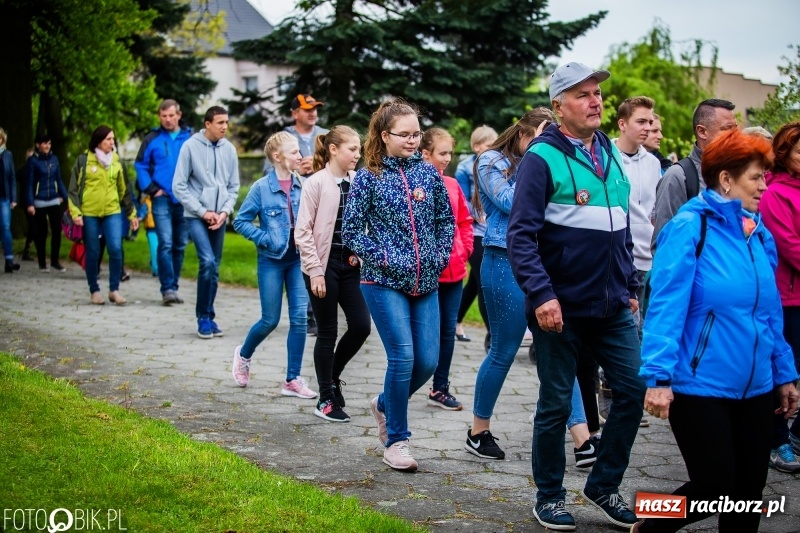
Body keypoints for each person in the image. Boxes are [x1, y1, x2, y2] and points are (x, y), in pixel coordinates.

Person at [636, 128, 799, 533]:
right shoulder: (691, 227)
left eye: (765, 175)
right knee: (715, 486)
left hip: (756, 386)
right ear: (726, 179)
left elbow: (769, 312)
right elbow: (665, 307)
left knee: (747, 494)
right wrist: (658, 377)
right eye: (756, 177)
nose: (765, 185)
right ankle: (651, 523)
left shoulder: (758, 233)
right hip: (699, 385)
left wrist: (785, 372)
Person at [507, 62, 645, 530]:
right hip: (559, 309)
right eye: (583, 94)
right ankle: (549, 496)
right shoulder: (541, 158)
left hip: (611, 306)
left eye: (598, 94)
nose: (596, 101)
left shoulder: (608, 152)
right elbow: (520, 236)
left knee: (632, 390)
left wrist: (628, 285)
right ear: (559, 105)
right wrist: (542, 295)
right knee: (556, 402)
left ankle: (603, 485)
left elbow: (620, 226)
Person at [342, 98, 455, 472]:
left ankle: (384, 403)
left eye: (416, 133)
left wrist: (438, 257)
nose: (411, 140)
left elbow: (445, 222)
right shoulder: (367, 176)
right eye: (404, 134)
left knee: (428, 360)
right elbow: (352, 231)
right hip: (383, 280)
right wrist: (388, 258)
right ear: (384, 135)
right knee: (403, 357)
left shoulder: (428, 175)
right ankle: (397, 440)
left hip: (426, 281)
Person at [465, 108, 553, 461]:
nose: (548, 146)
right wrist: (538, 162)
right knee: (504, 349)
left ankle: (583, 438)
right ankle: (478, 431)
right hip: (504, 259)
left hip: (545, 261)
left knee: (558, 349)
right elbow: (512, 202)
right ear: (522, 134)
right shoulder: (491, 160)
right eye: (541, 138)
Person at [231, 132, 317, 399]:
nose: (299, 155)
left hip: (297, 260)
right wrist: (263, 238)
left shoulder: (304, 184)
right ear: (278, 157)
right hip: (271, 260)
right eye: (294, 152)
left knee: (299, 320)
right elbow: (240, 222)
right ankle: (244, 354)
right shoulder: (260, 188)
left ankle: (292, 379)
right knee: (270, 320)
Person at [295, 125, 371, 421]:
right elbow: (302, 232)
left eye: (359, 149)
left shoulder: (359, 182)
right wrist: (315, 272)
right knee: (327, 332)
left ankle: (332, 377)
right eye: (352, 149)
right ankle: (325, 399)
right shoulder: (315, 183)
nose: (357, 154)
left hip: (350, 265)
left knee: (361, 326)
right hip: (322, 265)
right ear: (333, 149)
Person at [173, 106, 240, 339]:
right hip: (196, 215)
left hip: (219, 217)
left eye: (227, 122)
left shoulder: (229, 149)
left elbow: (233, 187)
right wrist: (202, 212)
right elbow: (178, 185)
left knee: (214, 268)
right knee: (207, 261)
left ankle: (210, 316)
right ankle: (202, 316)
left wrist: (224, 212)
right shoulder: (190, 146)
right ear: (208, 124)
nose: (224, 126)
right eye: (220, 122)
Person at [267, 93, 329, 336]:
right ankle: (307, 315)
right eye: (306, 109)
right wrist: (295, 170)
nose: (312, 112)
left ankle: (316, 312)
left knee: (318, 253)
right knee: (303, 255)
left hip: (322, 201)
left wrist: (318, 166)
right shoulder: (283, 138)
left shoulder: (324, 134)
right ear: (294, 113)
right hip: (294, 203)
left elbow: (336, 163)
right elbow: (268, 168)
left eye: (315, 108)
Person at [420, 127, 473, 411]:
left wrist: (464, 250)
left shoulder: (453, 184)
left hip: (455, 272)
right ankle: (408, 383)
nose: (447, 158)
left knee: (447, 331)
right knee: (426, 333)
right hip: (427, 275)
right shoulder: (415, 186)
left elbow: (464, 221)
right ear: (425, 154)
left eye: (450, 153)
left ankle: (439, 388)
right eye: (442, 153)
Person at [759, 120, 800, 473]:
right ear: (785, 154)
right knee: (783, 372)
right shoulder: (775, 193)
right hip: (787, 299)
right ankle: (777, 441)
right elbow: (789, 246)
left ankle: (794, 435)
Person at [68, 126, 138, 305]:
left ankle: (114, 290)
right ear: (98, 141)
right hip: (89, 213)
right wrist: (76, 213)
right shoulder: (84, 161)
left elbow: (124, 190)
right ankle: (94, 290)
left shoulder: (117, 162)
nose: (112, 142)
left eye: (113, 139)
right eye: (108, 139)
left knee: (115, 248)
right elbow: (73, 190)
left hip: (112, 211)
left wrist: (131, 214)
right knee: (93, 251)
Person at [652, 99, 736, 247]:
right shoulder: (679, 176)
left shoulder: (737, 173)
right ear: (702, 131)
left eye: (736, 128)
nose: (735, 135)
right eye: (727, 129)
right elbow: (664, 244)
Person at [135, 99, 192, 305]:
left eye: (171, 115)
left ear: (179, 115)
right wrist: (151, 189)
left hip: (185, 200)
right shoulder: (152, 138)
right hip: (161, 199)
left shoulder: (190, 138)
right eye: (163, 116)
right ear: (159, 116)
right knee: (165, 243)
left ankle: (174, 286)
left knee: (180, 245)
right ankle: (166, 288)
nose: (167, 120)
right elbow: (140, 165)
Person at [454, 125, 497, 350]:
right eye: (489, 145)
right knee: (483, 283)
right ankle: (493, 334)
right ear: (477, 146)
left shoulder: (497, 165)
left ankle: (455, 321)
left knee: (473, 283)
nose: (493, 149)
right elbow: (462, 201)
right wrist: (480, 216)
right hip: (475, 232)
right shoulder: (464, 168)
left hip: (492, 231)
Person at [26, 134, 68, 273]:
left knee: (57, 229)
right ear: (38, 145)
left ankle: (55, 261)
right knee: (42, 232)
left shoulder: (54, 159)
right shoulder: (33, 161)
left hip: (54, 199)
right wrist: (30, 203)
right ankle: (42, 262)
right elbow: (30, 183)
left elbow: (59, 179)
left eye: (49, 144)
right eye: (44, 143)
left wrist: (66, 197)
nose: (47, 146)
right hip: (39, 201)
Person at [0, 127, 20, 273]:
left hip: (4, 197)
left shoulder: (8, 155)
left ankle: (9, 260)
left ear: (2, 140)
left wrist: (14, 198)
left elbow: (12, 177)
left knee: (5, 227)